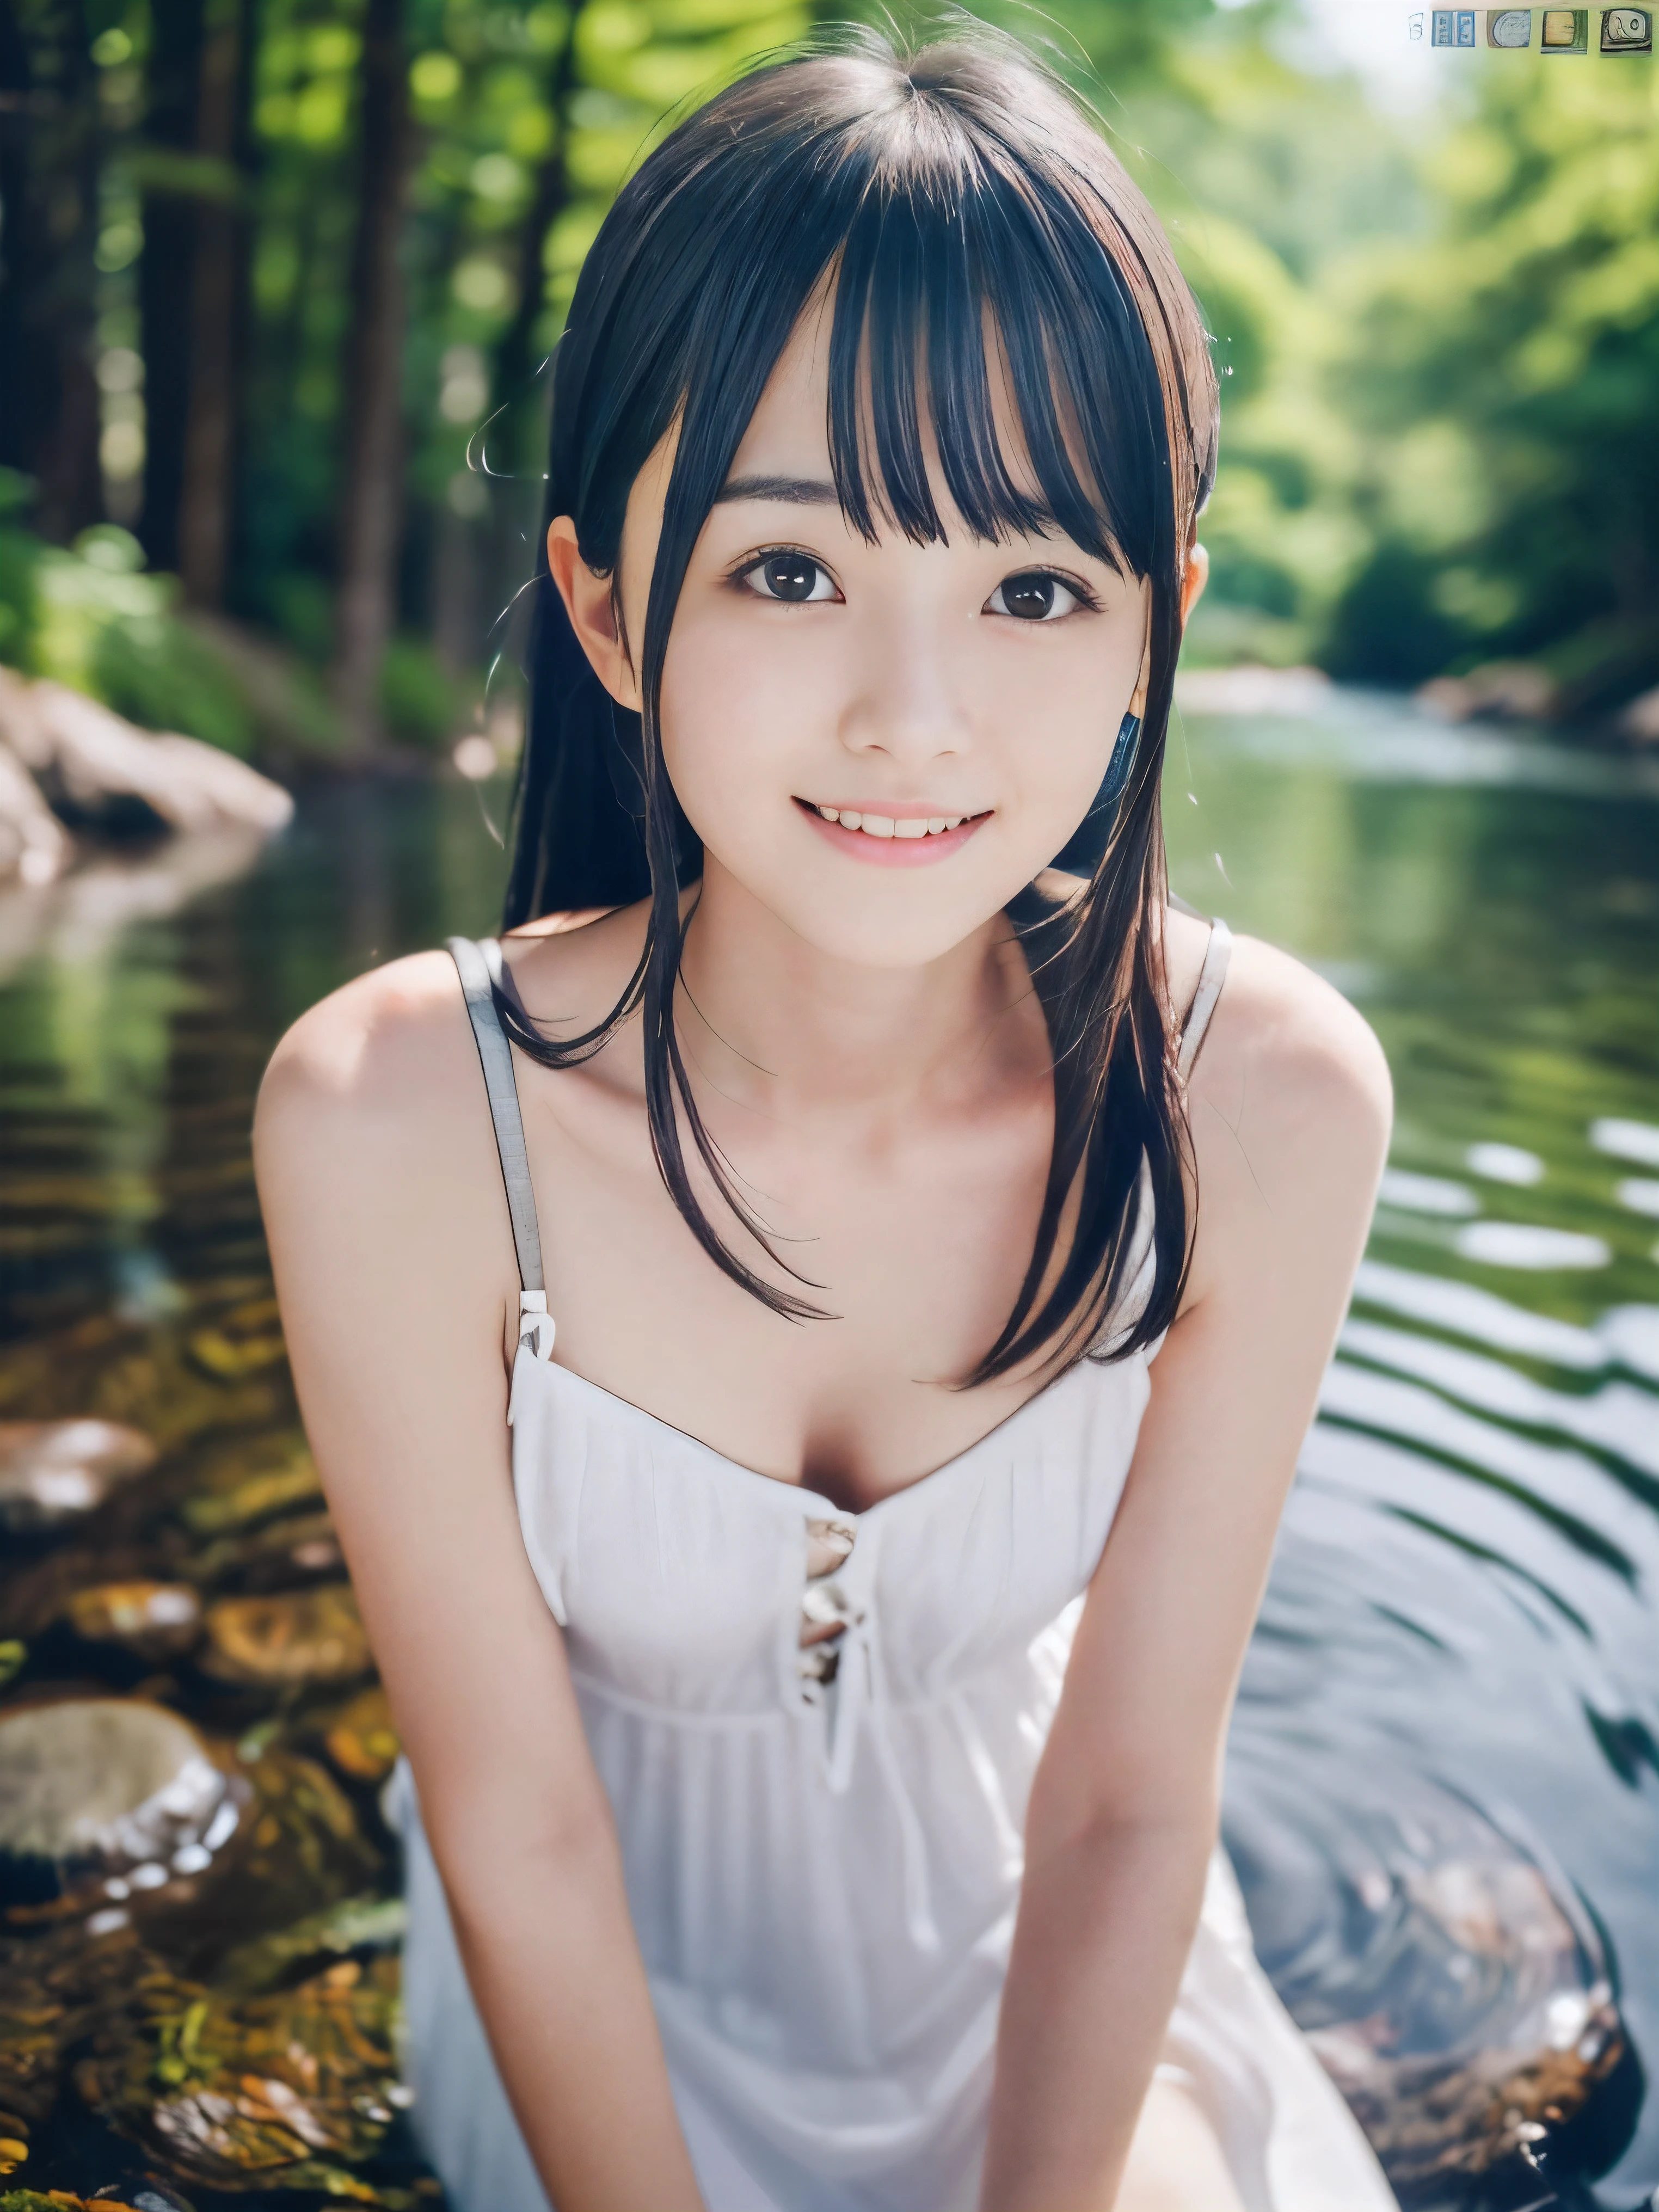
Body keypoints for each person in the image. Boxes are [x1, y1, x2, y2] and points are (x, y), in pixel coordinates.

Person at [254, 29, 1397, 2212]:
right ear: (603, 602)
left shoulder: (1261, 1096)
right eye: (791, 569)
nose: (917, 712)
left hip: (1054, 1939)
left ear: (1161, 625)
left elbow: (1133, 1790)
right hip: (589, 1977)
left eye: (1036, 585)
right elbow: (517, 1819)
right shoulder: (402, 1115)